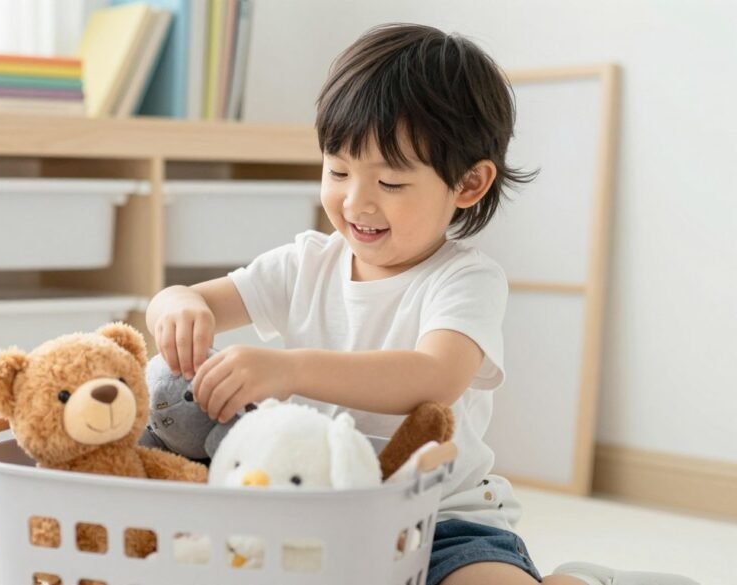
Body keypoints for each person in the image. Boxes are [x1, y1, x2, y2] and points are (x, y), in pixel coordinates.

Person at [145, 22, 697, 585]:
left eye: (390, 183)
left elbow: (434, 376)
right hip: (314, 510)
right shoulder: (305, 263)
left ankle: (584, 580)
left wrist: (289, 369)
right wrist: (178, 307)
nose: (356, 201)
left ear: (468, 185)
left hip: (442, 517)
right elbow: (189, 299)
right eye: (338, 171)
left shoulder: (465, 280)